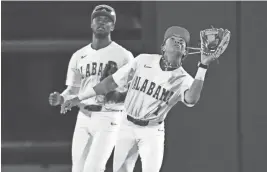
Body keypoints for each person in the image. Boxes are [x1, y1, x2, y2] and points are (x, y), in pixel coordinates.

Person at [62, 26, 221, 172]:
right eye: (173, 39)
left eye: (182, 41)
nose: (178, 41)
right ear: (163, 47)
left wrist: (203, 66)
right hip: (126, 124)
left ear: (185, 52)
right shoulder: (143, 60)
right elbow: (110, 82)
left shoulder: (184, 79)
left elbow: (191, 100)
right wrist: (80, 97)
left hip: (152, 131)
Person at [48, 4, 134, 172]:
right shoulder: (79, 56)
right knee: (78, 169)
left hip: (109, 116)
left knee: (93, 168)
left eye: (107, 20)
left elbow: (132, 93)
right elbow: (72, 90)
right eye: (98, 19)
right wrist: (61, 98)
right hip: (84, 116)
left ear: (113, 26)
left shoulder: (124, 56)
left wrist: (114, 94)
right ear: (91, 24)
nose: (102, 22)